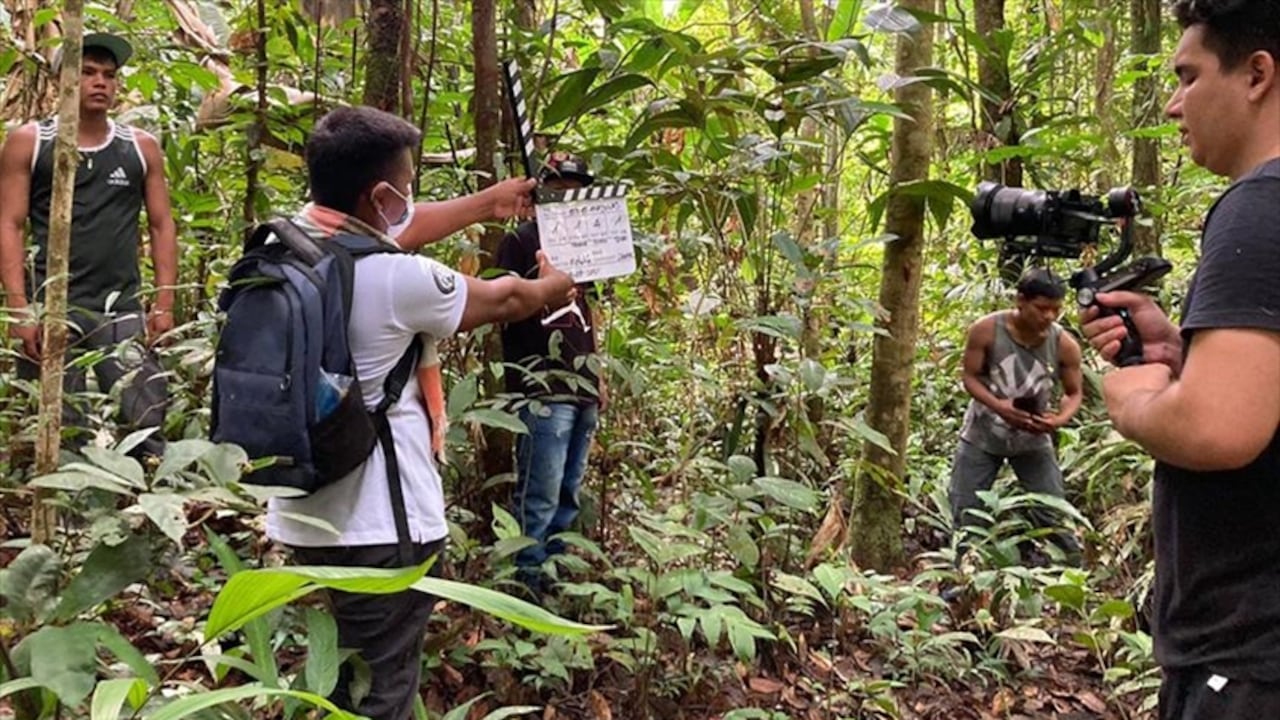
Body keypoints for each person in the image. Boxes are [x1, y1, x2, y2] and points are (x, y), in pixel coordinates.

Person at [266, 106, 575, 720]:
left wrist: (487, 202)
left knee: (342, 681)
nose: (410, 202)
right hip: (381, 526)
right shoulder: (398, 281)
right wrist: (553, 287)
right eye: (406, 190)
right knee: (383, 693)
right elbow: (508, 297)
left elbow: (390, 232)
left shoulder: (282, 248)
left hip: (302, 514)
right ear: (379, 196)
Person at [1081, 1, 1280, 717]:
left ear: (1257, 74)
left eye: (1188, 76)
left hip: (1250, 655)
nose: (1172, 104)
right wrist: (1182, 351)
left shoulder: (1260, 207)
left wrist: (1134, 394)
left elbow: (1216, 430)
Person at [0, 32, 176, 458]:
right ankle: (63, 519)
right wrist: (21, 309)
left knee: (145, 415)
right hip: (53, 306)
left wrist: (164, 304)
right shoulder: (32, 141)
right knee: (59, 426)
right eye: (89, 73)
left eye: (110, 76)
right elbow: (9, 222)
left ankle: (143, 511)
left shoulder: (139, 147)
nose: (101, 83)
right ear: (63, 80)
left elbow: (161, 224)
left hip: (121, 306)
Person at [495, 151, 607, 596]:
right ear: (543, 192)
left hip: (580, 387)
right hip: (542, 388)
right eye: (560, 188)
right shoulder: (520, 242)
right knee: (538, 494)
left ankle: (556, 580)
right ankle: (527, 586)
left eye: (576, 189)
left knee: (568, 491)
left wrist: (597, 374)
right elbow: (501, 309)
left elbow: (587, 310)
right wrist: (542, 290)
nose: (569, 197)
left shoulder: (584, 245)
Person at [948, 268, 1084, 562]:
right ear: (1020, 300)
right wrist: (1000, 407)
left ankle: (1071, 580)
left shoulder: (1064, 344)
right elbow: (970, 377)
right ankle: (966, 582)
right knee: (967, 512)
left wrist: (1058, 420)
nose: (1049, 317)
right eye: (1041, 308)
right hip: (982, 435)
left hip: (1033, 438)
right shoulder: (986, 330)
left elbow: (1074, 393)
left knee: (1054, 511)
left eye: (1055, 310)